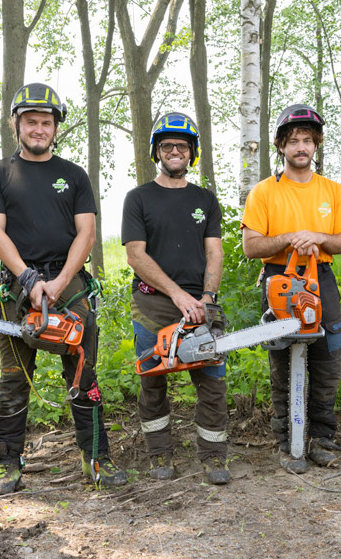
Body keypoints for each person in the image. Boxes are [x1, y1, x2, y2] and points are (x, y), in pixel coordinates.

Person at [0, 82, 127, 494]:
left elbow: (87, 232)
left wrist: (61, 280)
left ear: (56, 128)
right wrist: (29, 279)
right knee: (14, 377)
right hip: (16, 287)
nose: (39, 128)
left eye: (46, 122)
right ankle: (7, 462)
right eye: (31, 121)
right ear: (17, 124)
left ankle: (96, 456)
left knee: (83, 370)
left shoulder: (73, 175)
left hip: (70, 283)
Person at [241, 105, 341, 472]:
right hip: (278, 277)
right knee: (281, 358)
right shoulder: (264, 192)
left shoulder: (332, 190)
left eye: (307, 140)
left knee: (327, 358)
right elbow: (251, 246)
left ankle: (322, 438)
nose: (301, 147)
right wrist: (289, 239)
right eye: (293, 141)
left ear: (316, 145)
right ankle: (286, 440)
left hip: (320, 277)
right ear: (281, 146)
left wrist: (317, 237)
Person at [122, 112, 230, 485]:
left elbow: (214, 253)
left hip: (201, 303)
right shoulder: (138, 198)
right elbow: (136, 254)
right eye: (167, 145)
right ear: (157, 151)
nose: (174, 152)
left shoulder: (205, 199)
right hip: (153, 303)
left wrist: (207, 296)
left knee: (213, 380)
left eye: (182, 146)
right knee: (153, 381)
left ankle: (214, 454)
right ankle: (159, 453)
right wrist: (178, 295)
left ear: (192, 153)